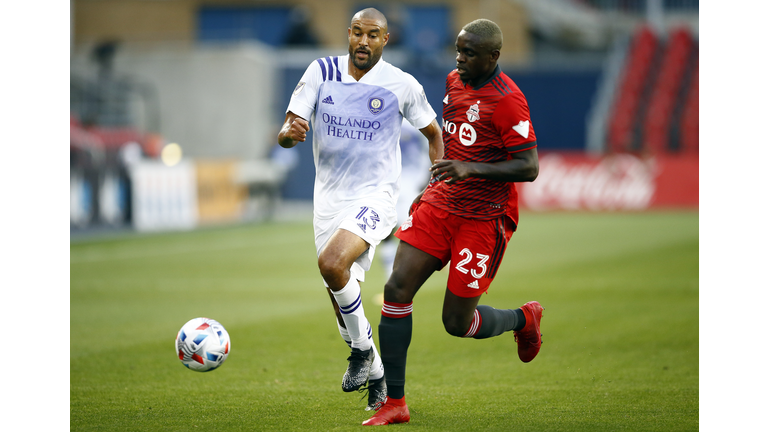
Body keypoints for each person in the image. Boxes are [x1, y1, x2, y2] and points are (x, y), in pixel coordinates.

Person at [363, 19, 543, 426]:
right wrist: (432, 184)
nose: (459, 59)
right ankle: (395, 402)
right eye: (458, 50)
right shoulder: (453, 82)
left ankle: (523, 318)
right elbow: (454, 141)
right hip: (442, 204)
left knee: (456, 324)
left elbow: (528, 167)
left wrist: (470, 169)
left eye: (468, 53)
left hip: (484, 218)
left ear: (493, 56)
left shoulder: (509, 101)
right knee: (396, 287)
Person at [276, 8, 443, 411]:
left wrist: (437, 184)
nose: (363, 42)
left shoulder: (401, 84)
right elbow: (288, 128)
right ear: (347, 34)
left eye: (373, 35)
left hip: (377, 196)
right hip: (328, 200)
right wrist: (289, 134)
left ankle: (360, 355)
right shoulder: (320, 72)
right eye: (357, 33)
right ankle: (378, 372)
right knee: (340, 300)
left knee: (332, 263)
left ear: (385, 40)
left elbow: (434, 134)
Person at [378, 119, 431, 279]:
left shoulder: (419, 123)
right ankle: (390, 276)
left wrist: (423, 178)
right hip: (386, 182)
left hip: (410, 183)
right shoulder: (383, 122)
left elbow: (428, 149)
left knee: (408, 229)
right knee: (385, 230)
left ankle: (406, 274)